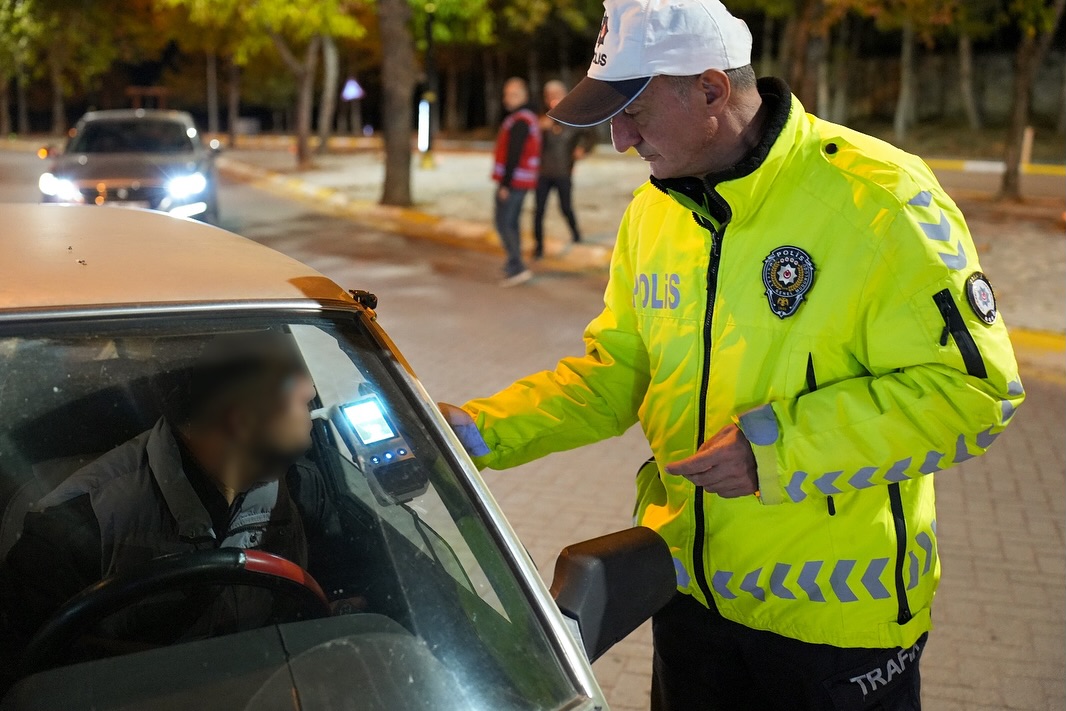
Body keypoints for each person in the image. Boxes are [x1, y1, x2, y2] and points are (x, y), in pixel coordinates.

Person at [441, 0, 1025, 709]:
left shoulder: (882, 199)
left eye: (635, 113)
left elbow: (976, 393)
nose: (620, 141)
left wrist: (775, 450)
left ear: (712, 90)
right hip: (686, 592)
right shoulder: (653, 213)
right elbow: (616, 373)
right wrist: (479, 430)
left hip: (834, 628)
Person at [0, 332, 347, 660]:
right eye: (289, 380)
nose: (310, 389)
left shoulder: (303, 490)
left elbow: (337, 591)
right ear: (239, 420)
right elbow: (32, 672)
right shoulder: (75, 529)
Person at [532, 81, 597, 258]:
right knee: (539, 210)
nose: (554, 98)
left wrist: (582, 149)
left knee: (566, 207)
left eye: (557, 94)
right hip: (543, 173)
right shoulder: (541, 119)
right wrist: (537, 130)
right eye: (550, 95)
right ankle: (538, 246)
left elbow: (591, 135)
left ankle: (576, 235)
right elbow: (528, 143)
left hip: (563, 172)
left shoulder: (574, 117)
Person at [492, 77, 541, 287]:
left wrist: (505, 184)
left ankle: (517, 266)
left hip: (514, 182)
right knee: (509, 223)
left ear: (523, 96)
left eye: (513, 94)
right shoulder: (527, 118)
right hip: (521, 181)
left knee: (505, 223)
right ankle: (514, 263)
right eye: (506, 94)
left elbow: (514, 154)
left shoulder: (520, 120)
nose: (507, 99)